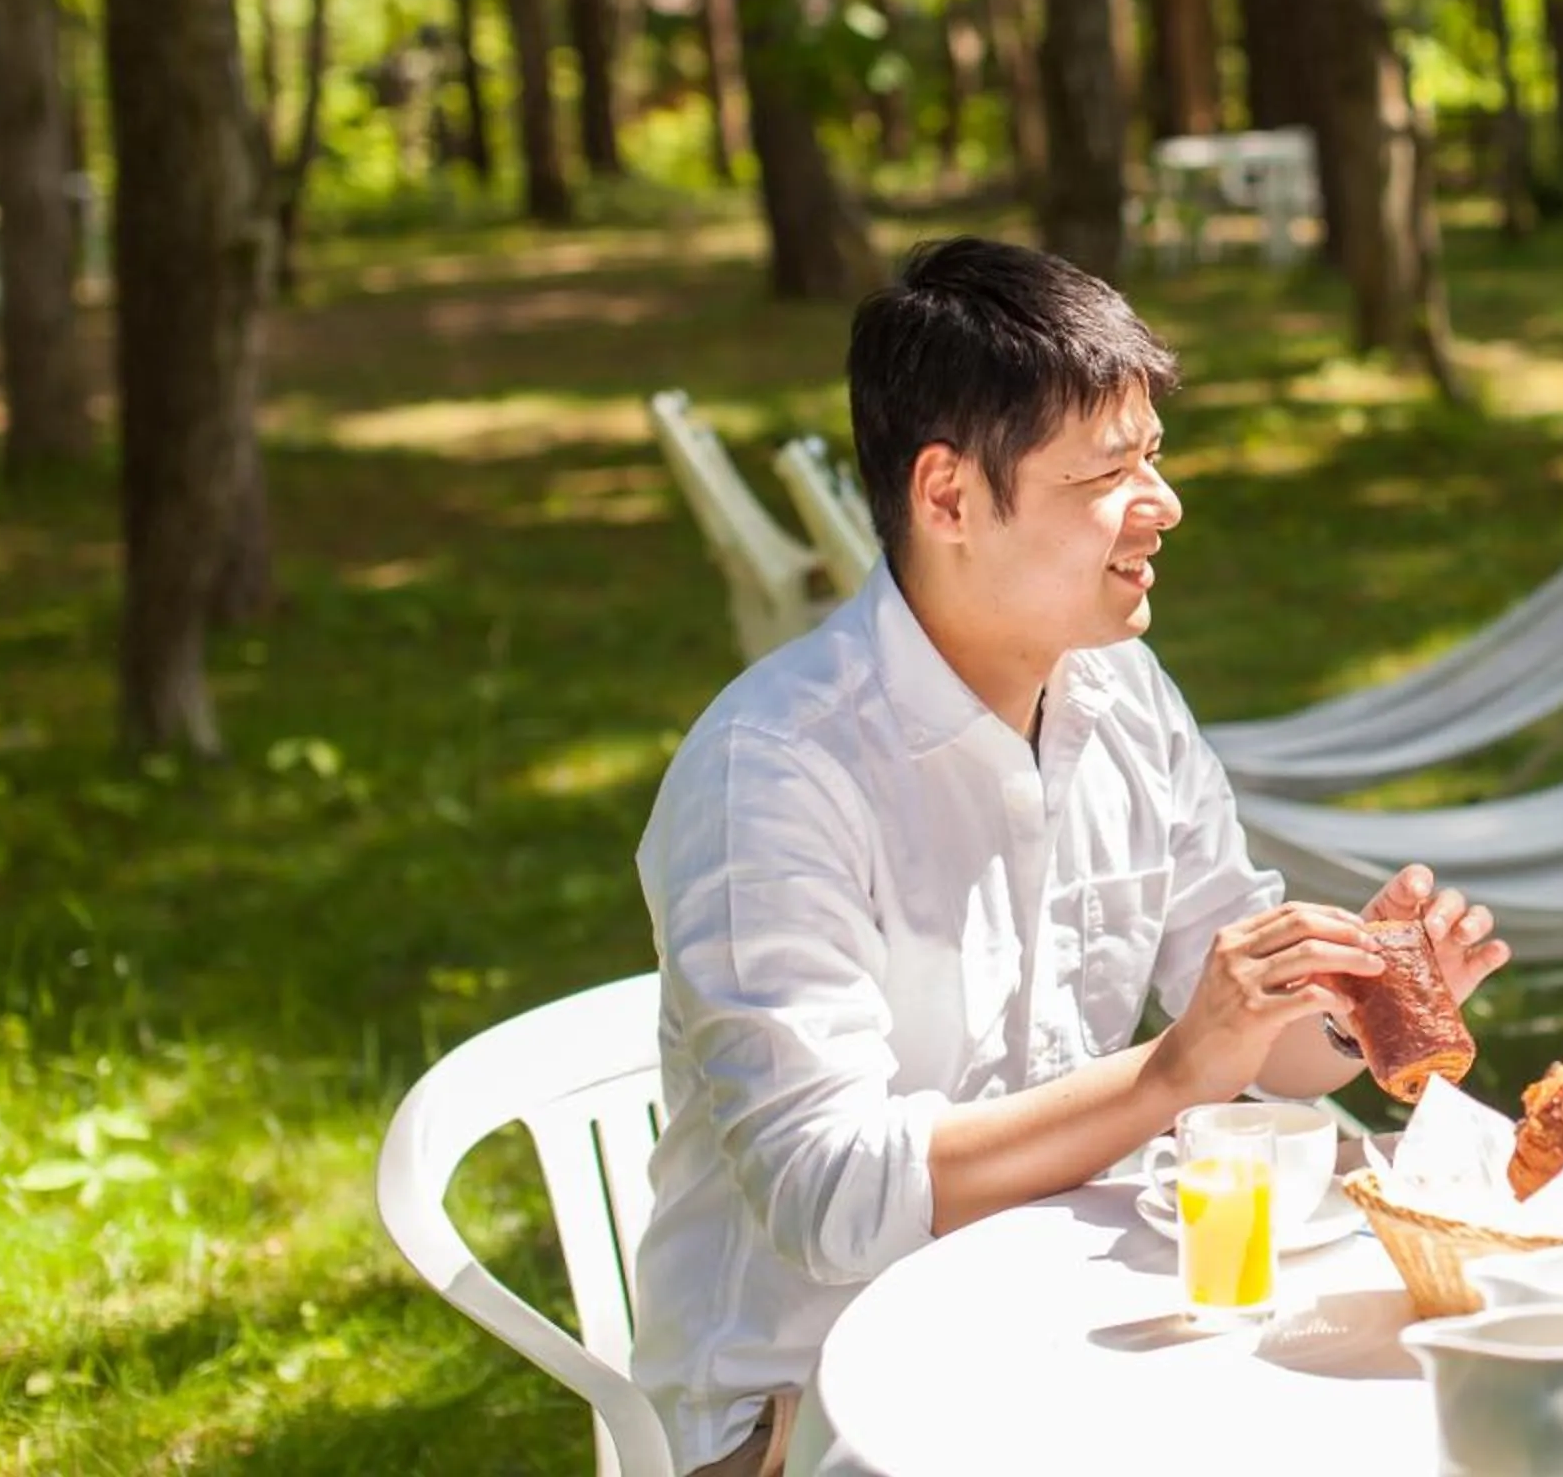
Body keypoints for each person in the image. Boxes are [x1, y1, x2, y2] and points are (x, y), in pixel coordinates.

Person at [631, 238, 1512, 1476]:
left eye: (1152, 456)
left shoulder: (1123, 693)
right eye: (1111, 471)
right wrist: (1169, 1074)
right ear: (947, 498)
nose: (1164, 504)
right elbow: (829, 1196)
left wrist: (1353, 996)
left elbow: (1250, 1038)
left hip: (1065, 1325)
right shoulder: (775, 771)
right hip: (813, 1408)